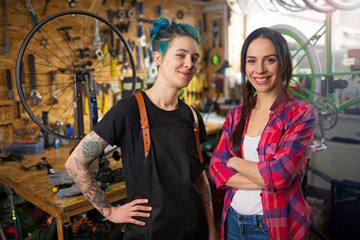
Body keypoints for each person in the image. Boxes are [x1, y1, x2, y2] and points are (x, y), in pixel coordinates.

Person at [65, 17, 216, 240]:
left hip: (193, 229)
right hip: (149, 233)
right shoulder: (128, 111)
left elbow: (199, 179)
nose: (189, 64)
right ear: (158, 58)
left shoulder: (192, 117)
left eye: (194, 58)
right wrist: (109, 211)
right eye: (180, 55)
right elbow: (75, 162)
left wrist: (212, 231)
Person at [209, 27, 317, 240]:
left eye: (269, 60)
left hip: (271, 227)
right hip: (232, 220)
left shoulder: (300, 113)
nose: (259, 70)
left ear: (283, 63)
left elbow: (280, 176)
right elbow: (215, 170)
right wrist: (268, 177)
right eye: (251, 61)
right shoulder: (236, 115)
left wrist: (233, 162)